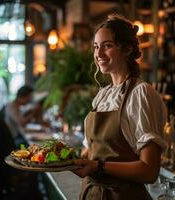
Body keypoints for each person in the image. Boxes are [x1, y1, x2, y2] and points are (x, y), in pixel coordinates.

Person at [72, 14, 167, 200]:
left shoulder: (141, 94)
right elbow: (90, 152)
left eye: (107, 46)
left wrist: (97, 166)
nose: (98, 54)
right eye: (96, 47)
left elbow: (149, 171)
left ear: (127, 49)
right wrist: (66, 159)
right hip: (91, 193)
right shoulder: (103, 95)